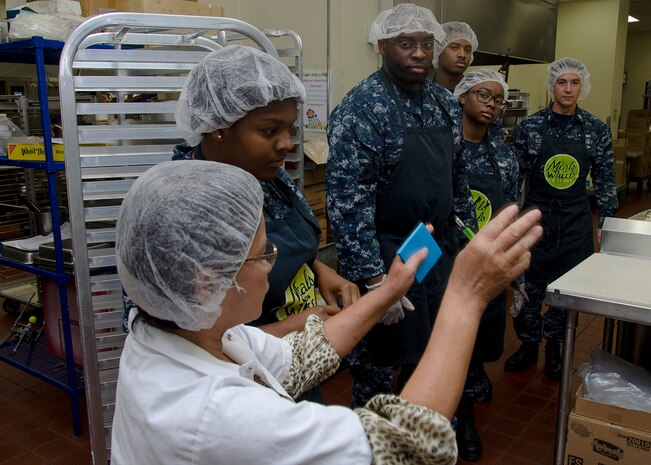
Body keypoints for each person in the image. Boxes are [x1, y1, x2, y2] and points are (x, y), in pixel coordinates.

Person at [110, 159, 543, 465]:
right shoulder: (213, 416)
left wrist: (388, 291)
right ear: (208, 282)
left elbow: (301, 356)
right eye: (264, 254)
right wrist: (466, 295)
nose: (275, 262)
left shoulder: (180, 329)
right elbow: (407, 446)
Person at [125, 45, 359, 339]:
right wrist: (287, 330)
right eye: (269, 131)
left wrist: (322, 272)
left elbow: (289, 251)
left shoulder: (267, 176)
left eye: (289, 128)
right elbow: (168, 338)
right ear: (219, 127)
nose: (287, 143)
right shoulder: (177, 209)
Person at [326, 3, 477, 408]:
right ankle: (371, 441)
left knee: (437, 354)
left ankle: (436, 427)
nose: (419, 53)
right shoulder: (361, 108)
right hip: (385, 253)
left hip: (438, 251)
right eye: (405, 43)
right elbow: (347, 203)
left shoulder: (445, 105)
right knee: (378, 365)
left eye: (426, 43)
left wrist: (470, 243)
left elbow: (457, 180)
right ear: (382, 47)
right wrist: (376, 283)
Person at [506, 57, 618, 380]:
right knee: (529, 289)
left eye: (574, 83)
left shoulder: (596, 130)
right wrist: (511, 223)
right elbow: (515, 179)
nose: (568, 89)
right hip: (535, 220)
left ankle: (555, 349)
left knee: (563, 292)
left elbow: (606, 182)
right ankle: (528, 345)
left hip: (574, 221)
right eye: (561, 83)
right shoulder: (530, 128)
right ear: (551, 86)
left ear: (582, 87)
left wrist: (607, 226)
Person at [452, 69, 521, 461]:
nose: (491, 104)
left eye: (498, 99)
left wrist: (517, 276)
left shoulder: (504, 157)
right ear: (462, 97)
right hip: (447, 260)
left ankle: (471, 394)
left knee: (479, 340)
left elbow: (510, 213)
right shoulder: (444, 149)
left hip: (488, 262)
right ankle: (462, 420)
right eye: (483, 94)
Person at [432, 21, 478, 93]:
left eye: (467, 50)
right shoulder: (421, 90)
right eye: (454, 48)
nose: (462, 54)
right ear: (438, 50)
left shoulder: (475, 94)